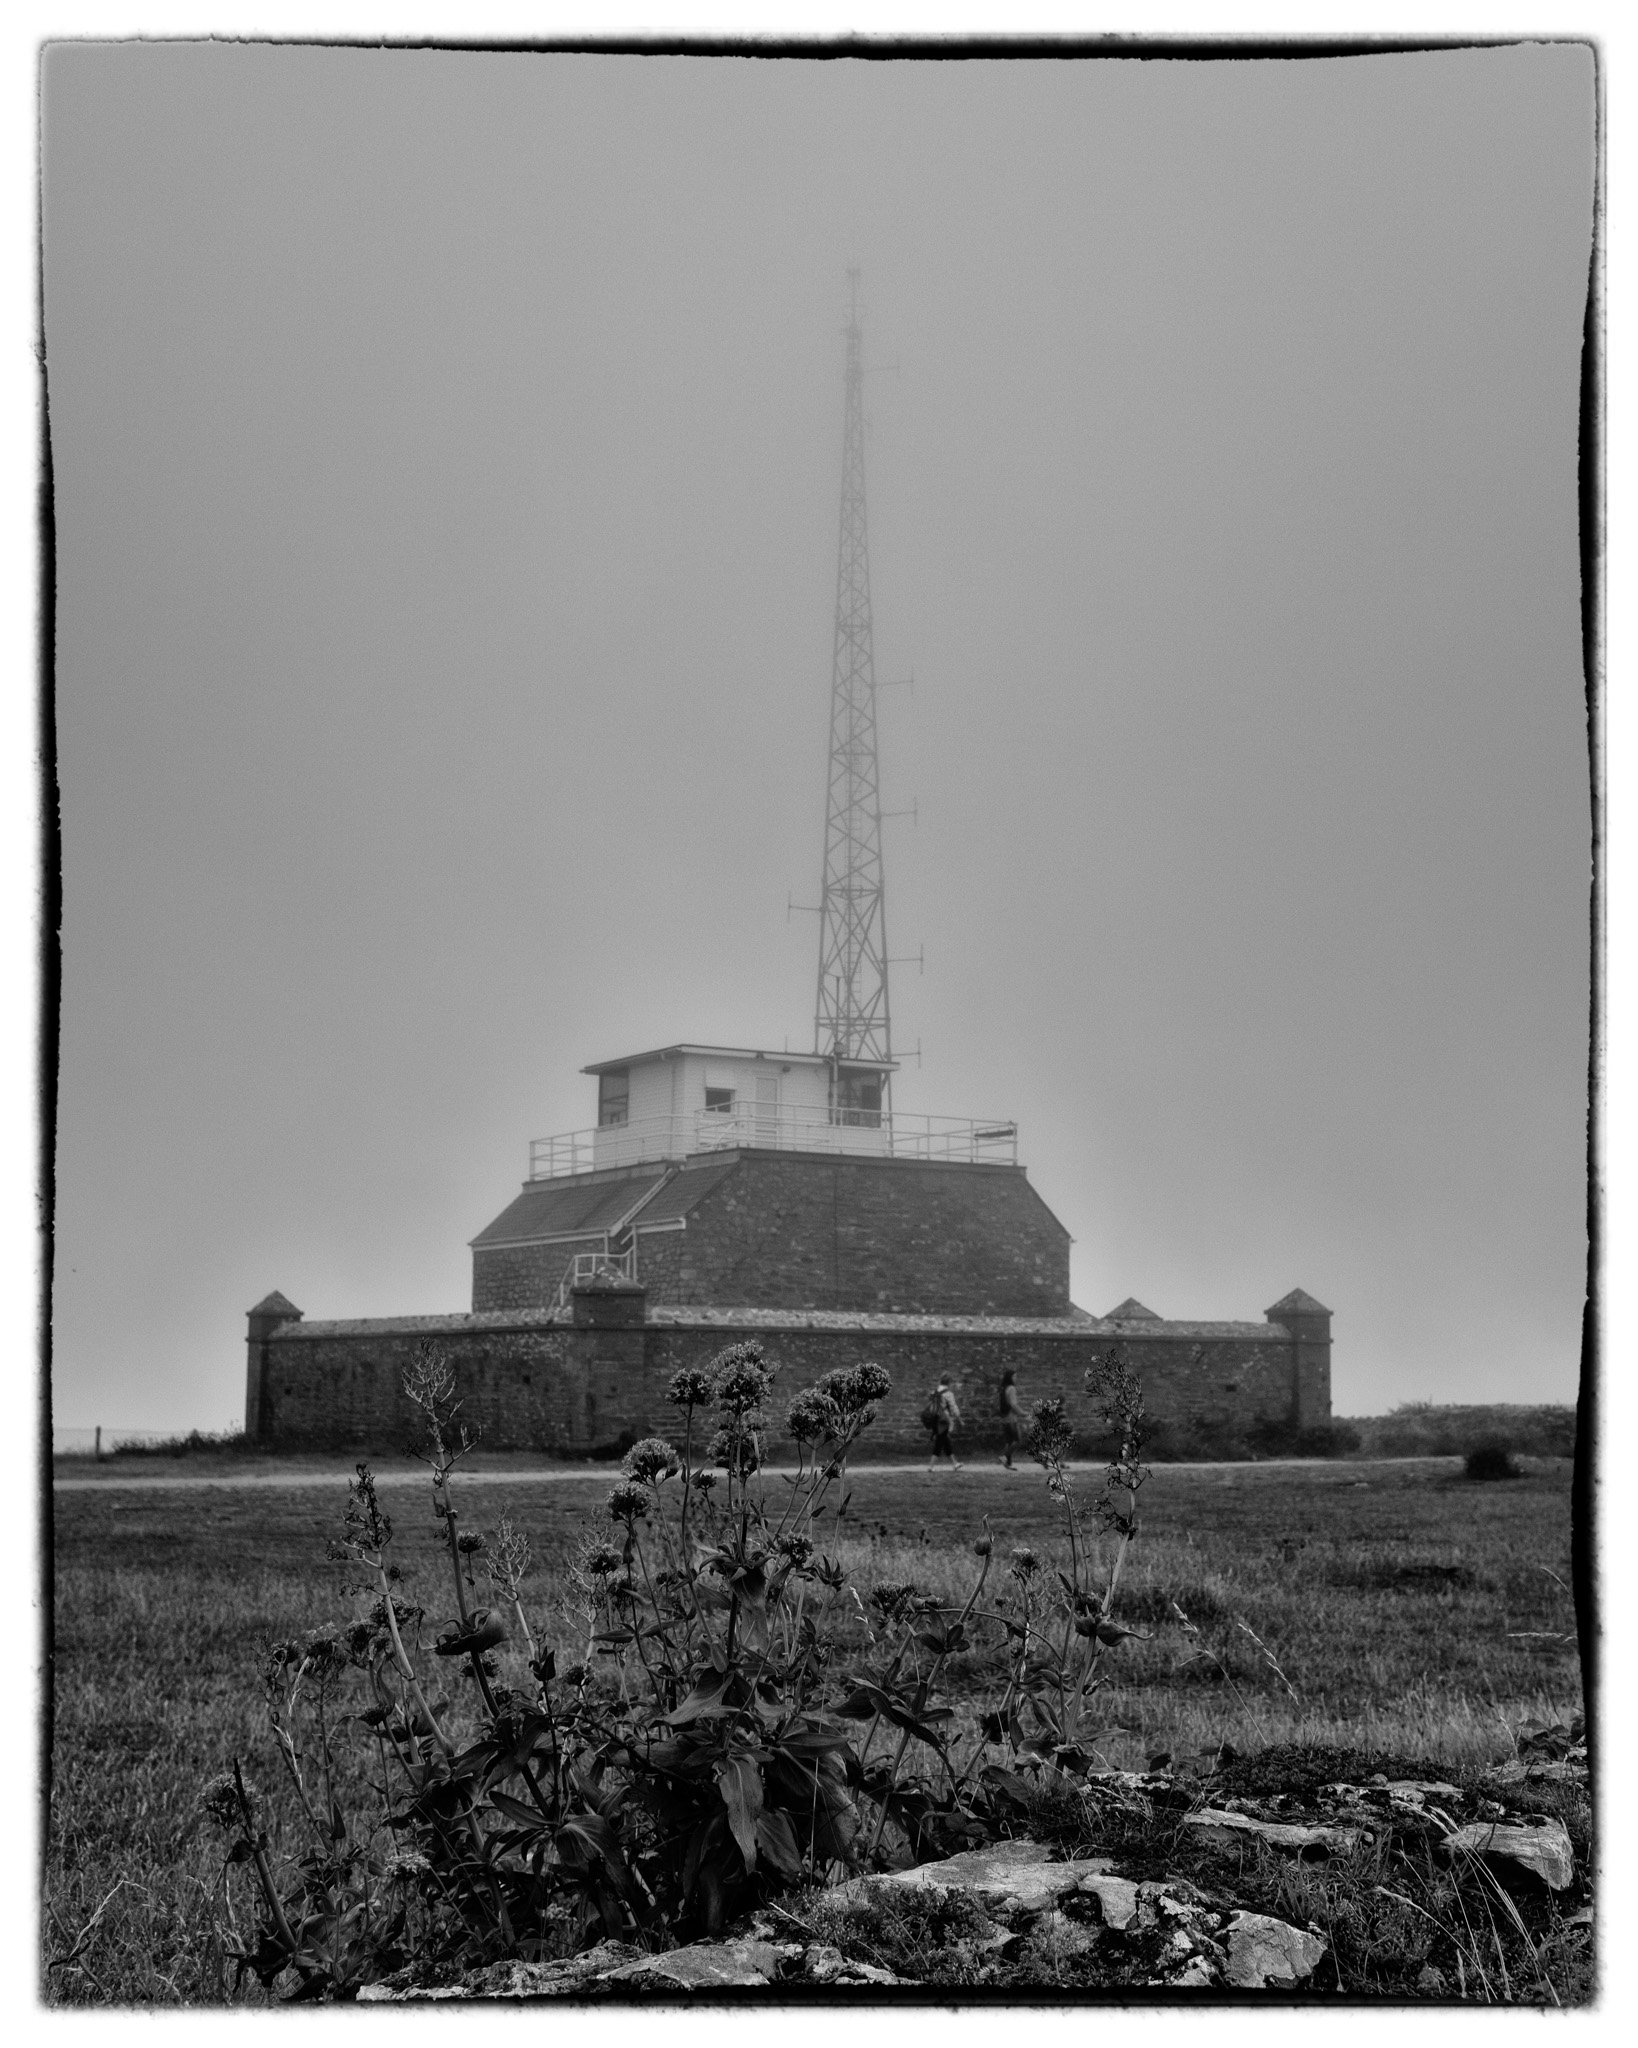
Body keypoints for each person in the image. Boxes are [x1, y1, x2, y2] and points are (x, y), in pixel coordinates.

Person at [927, 1377, 963, 1471]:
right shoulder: (948, 1394)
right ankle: (931, 1466)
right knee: (939, 1443)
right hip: (943, 1421)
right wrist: (959, 1419)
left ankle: (955, 1464)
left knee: (945, 1441)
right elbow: (953, 1407)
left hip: (934, 1420)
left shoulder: (935, 1392)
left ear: (940, 1382)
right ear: (949, 1383)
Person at [997, 1368, 1023, 1468]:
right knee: (1018, 1440)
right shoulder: (1011, 1388)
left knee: (1009, 1441)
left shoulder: (1003, 1388)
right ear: (1010, 1378)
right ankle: (1004, 1457)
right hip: (1011, 1417)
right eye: (1014, 1376)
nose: (1016, 1379)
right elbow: (1013, 1404)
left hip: (1003, 1417)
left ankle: (1008, 1463)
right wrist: (1022, 1413)